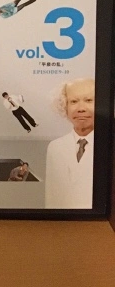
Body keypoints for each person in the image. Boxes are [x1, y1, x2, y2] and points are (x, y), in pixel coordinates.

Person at [45, 78, 95, 209]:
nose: (81, 109)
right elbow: (51, 197)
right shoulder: (55, 147)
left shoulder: (109, 145)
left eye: (89, 100)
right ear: (64, 106)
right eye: (73, 101)